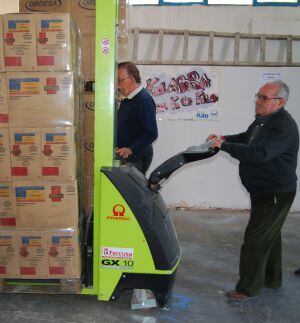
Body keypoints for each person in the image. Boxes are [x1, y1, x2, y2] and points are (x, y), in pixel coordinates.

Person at [208, 80, 299, 301]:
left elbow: (260, 153)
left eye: (264, 98)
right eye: (258, 96)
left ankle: (246, 288)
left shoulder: (283, 126)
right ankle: (271, 279)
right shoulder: (263, 120)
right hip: (262, 190)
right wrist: (225, 138)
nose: (258, 101)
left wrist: (224, 146)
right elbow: (246, 138)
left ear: (280, 102)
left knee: (255, 241)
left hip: (275, 193)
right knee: (270, 235)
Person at [115, 61, 158, 174]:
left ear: (132, 79)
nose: (117, 85)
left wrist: (131, 149)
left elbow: (151, 133)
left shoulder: (143, 100)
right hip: (127, 157)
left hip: (137, 158)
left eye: (120, 80)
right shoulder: (129, 99)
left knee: (129, 191)